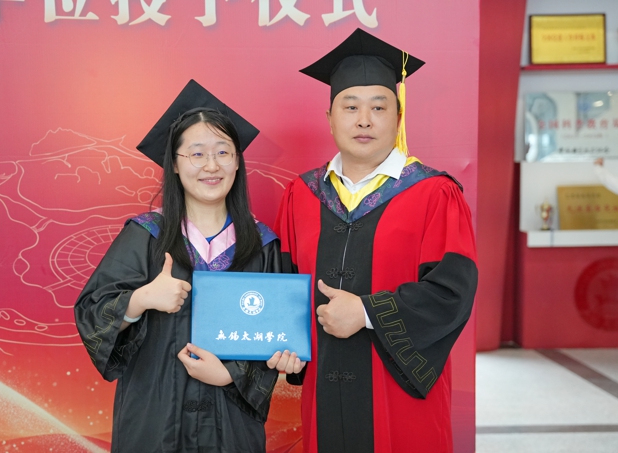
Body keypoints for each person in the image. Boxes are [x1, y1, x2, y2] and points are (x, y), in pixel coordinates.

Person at [273, 29, 478, 453]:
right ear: (330, 118)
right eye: (350, 107)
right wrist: (283, 346)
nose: (363, 120)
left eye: (378, 107)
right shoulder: (302, 195)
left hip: (401, 400)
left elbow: (452, 294)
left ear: (398, 118)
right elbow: (283, 287)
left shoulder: (434, 193)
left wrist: (367, 313)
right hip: (325, 394)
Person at [75, 80, 287, 452]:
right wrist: (141, 299)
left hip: (230, 425)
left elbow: (277, 337)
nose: (212, 165)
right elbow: (92, 313)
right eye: (197, 154)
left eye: (223, 152)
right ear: (174, 164)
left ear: (237, 161)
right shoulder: (145, 235)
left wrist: (230, 373)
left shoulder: (261, 244)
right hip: (154, 419)